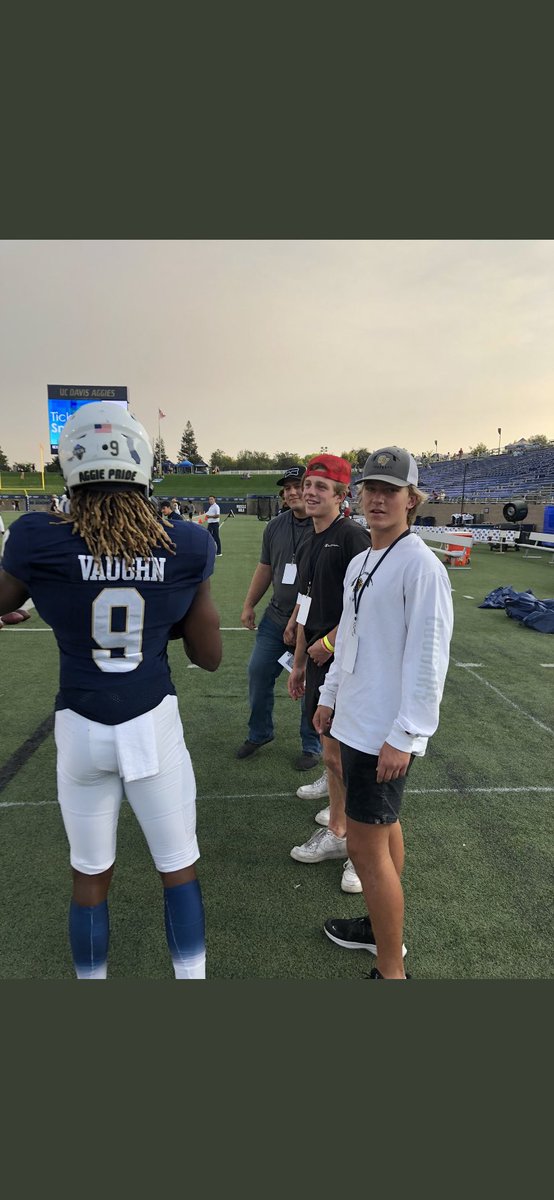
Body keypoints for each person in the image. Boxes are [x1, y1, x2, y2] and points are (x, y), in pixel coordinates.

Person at [0, 402, 222, 980]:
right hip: (150, 723)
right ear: (143, 464)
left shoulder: (35, 537)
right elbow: (209, 657)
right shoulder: (187, 544)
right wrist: (166, 615)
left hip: (79, 727)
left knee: (90, 871)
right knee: (176, 867)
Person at [316, 447, 453, 978]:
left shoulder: (421, 567)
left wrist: (407, 734)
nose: (377, 498)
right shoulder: (363, 559)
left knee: (368, 849)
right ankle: (379, 932)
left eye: (390, 490)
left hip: (382, 733)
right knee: (382, 831)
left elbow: (429, 658)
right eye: (370, 487)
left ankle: (392, 971)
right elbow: (347, 638)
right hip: (356, 719)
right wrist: (328, 697)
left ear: (411, 499)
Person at [287, 454, 372, 894]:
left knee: (347, 757)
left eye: (323, 486)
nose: (311, 492)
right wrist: (300, 659)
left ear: (342, 496)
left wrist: (330, 644)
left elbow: (365, 606)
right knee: (331, 753)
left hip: (347, 663)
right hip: (319, 660)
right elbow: (305, 605)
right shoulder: (308, 540)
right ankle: (339, 830)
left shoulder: (353, 536)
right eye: (308, 484)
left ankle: (359, 845)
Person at [236, 465, 322, 771]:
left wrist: (298, 622)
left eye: (298, 485)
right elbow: (265, 568)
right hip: (275, 618)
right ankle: (260, 733)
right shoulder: (274, 526)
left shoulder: (324, 527)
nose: (292, 492)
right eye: (286, 488)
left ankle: (311, 744)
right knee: (258, 672)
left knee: (311, 684)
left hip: (312, 626)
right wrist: (249, 604)